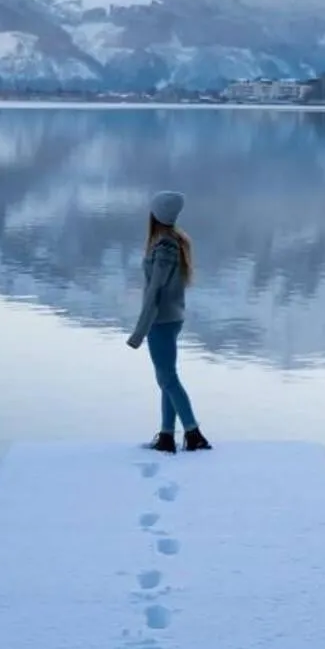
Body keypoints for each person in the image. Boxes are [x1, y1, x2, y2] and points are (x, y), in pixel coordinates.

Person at [127, 189, 211, 453]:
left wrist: (138, 332)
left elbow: (154, 290)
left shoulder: (163, 246)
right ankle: (166, 435)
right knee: (166, 378)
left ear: (156, 215)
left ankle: (193, 432)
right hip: (172, 318)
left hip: (160, 320)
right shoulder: (176, 241)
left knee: (168, 379)